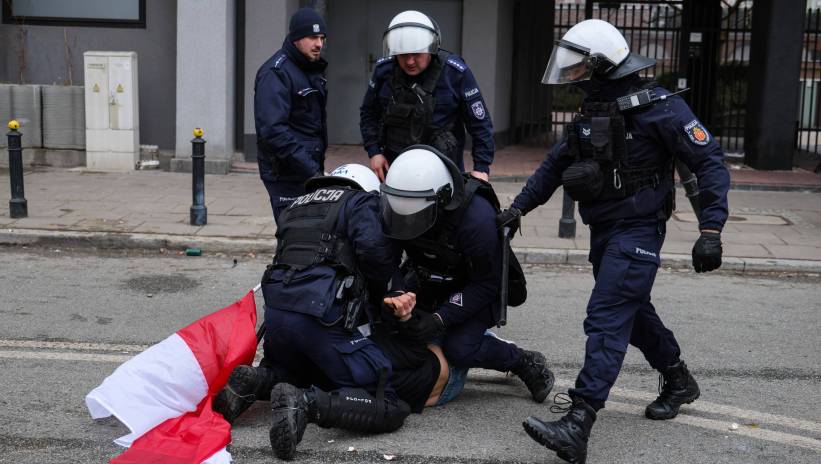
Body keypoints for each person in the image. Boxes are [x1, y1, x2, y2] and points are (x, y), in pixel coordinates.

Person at [497, 19, 730, 464]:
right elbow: (553, 166)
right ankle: (679, 379)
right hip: (604, 231)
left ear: (603, 65)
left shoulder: (661, 107)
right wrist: (518, 209)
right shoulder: (594, 110)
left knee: (607, 315)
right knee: (633, 311)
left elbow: (710, 161)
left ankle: (579, 421)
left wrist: (711, 229)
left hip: (640, 230)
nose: (572, 77)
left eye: (580, 68)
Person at [212, 164, 452, 460]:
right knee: (390, 403)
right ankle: (306, 405)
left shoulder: (297, 205)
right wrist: (394, 290)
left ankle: (257, 381)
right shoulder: (361, 201)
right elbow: (375, 254)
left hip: (278, 318)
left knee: (295, 372)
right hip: (322, 320)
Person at [380, 146, 555, 404]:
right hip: (428, 276)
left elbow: (487, 284)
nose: (408, 225)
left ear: (442, 200)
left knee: (459, 349)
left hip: (475, 287)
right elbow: (387, 259)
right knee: (390, 321)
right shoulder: (397, 206)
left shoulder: (477, 220)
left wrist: (440, 318)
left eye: (415, 217)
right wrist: (397, 293)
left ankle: (520, 360)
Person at [360, 10, 495, 182]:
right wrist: (374, 152)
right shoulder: (384, 71)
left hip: (444, 168)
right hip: (395, 166)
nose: (409, 61)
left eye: (416, 54)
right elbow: (368, 113)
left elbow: (480, 124)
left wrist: (481, 168)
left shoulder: (454, 73)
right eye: (403, 55)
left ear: (431, 48)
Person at [255, 7, 329, 224]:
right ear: (296, 38)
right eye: (312, 37)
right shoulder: (276, 73)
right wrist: (311, 171)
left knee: (307, 237)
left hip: (306, 170)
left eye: (322, 38)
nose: (319, 44)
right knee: (294, 236)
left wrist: (315, 170)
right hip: (286, 174)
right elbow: (273, 130)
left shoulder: (309, 68)